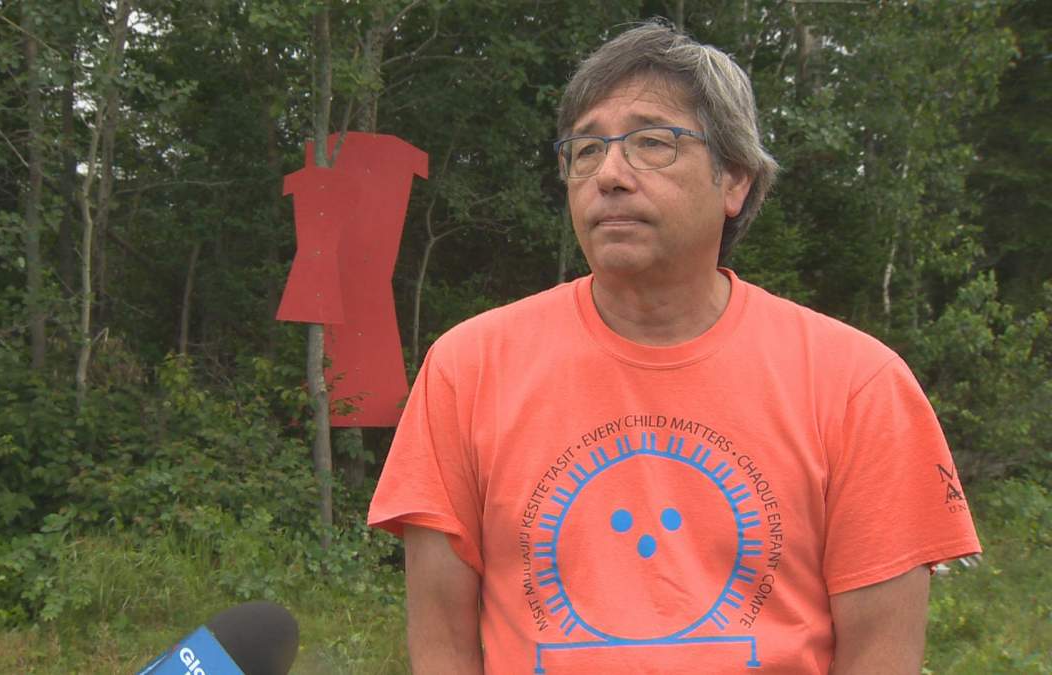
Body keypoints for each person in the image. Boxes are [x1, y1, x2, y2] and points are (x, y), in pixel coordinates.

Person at [368, 22, 980, 674]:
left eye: (651, 142)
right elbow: (442, 648)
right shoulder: (468, 369)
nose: (608, 174)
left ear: (735, 180)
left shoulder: (859, 385)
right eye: (585, 149)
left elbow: (879, 659)